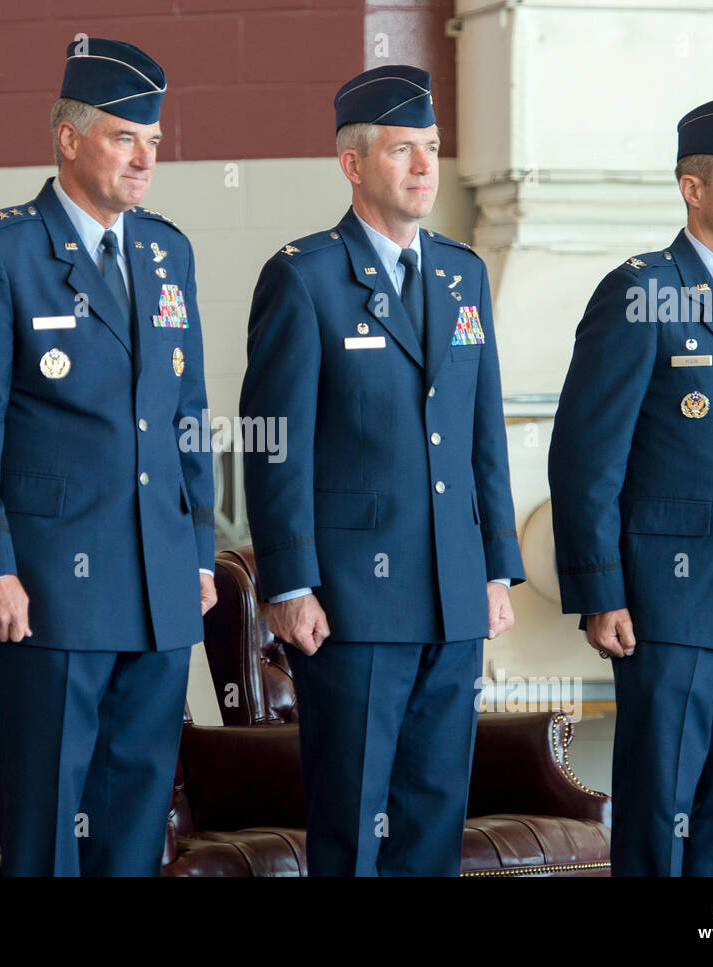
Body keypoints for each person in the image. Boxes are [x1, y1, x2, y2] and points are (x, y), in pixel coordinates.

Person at [0, 38, 216, 876]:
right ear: (68, 137)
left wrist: (196, 550)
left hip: (158, 584)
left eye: (154, 139)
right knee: (50, 825)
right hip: (49, 587)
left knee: (133, 825)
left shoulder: (168, 252)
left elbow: (185, 413)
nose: (145, 157)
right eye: (126, 137)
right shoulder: (0, 251)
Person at [239, 65, 524, 877]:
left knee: (435, 815)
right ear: (353, 163)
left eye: (432, 149)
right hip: (354, 603)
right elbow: (272, 440)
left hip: (453, 594)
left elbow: (482, 429)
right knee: (355, 820)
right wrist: (289, 583)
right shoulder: (304, 276)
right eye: (405, 150)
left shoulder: (463, 273)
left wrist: (496, 567)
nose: (426, 167)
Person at [548, 99, 713, 876]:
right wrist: (600, 588)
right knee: (662, 812)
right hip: (672, 604)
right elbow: (586, 454)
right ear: (693, 189)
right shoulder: (642, 292)